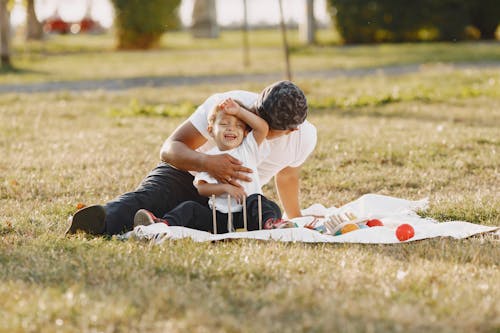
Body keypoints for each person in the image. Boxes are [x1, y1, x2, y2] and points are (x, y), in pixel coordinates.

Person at [66, 80, 317, 236]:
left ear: (292, 129)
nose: (257, 127)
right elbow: (170, 148)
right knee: (148, 199)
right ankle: (97, 221)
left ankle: (158, 223)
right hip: (187, 175)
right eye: (258, 116)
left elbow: (288, 174)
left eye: (267, 128)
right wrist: (206, 162)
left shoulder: (303, 137)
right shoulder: (229, 107)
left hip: (226, 203)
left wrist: (294, 217)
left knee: (259, 206)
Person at [132, 98, 291, 233]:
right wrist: (225, 188)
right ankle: (161, 225)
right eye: (224, 124)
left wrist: (239, 111)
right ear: (211, 130)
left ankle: (271, 224)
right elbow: (202, 188)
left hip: (247, 214)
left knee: (263, 203)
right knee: (189, 207)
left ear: (245, 133)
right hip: (218, 216)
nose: (231, 128)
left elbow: (262, 127)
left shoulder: (248, 148)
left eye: (238, 125)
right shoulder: (211, 158)